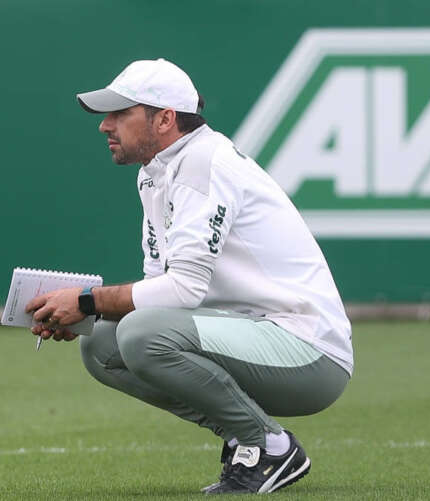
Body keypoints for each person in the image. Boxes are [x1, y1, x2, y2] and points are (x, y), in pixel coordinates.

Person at [24, 58, 354, 495]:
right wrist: (83, 317)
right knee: (101, 344)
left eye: (120, 113)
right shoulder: (157, 173)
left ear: (164, 119)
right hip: (254, 339)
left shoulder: (202, 163)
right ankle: (247, 437)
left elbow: (183, 290)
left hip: (309, 355)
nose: (106, 126)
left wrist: (86, 301)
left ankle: (269, 447)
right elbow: (159, 289)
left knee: (140, 333)